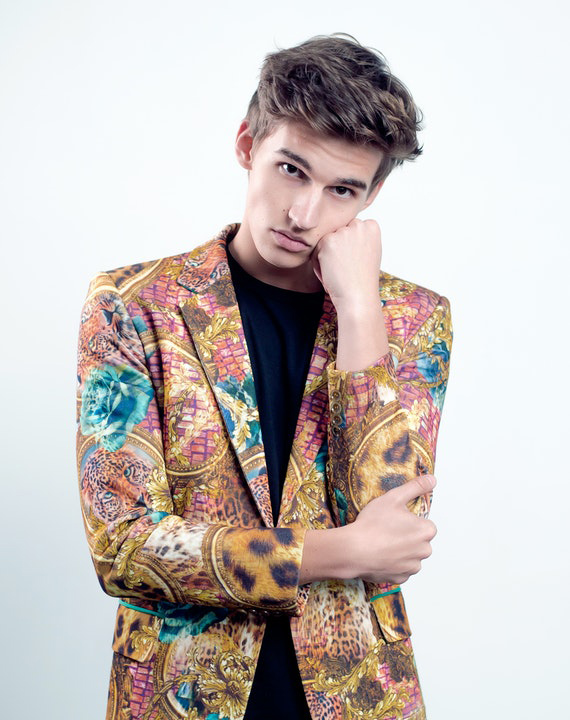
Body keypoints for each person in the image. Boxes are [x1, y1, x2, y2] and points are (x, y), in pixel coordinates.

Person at [76, 34, 452, 720]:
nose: (304, 214)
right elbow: (123, 548)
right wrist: (333, 551)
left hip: (358, 696)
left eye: (342, 190)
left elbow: (395, 536)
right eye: (291, 170)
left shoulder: (413, 318)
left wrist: (360, 311)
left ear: (371, 195)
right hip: (180, 696)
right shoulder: (135, 306)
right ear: (248, 145)